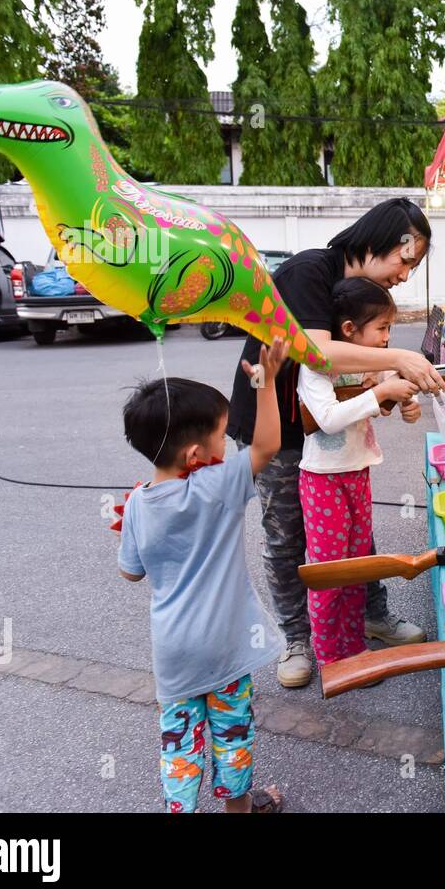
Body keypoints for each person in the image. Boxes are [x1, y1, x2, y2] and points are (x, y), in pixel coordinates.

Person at [226, 198, 443, 688]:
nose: (405, 275)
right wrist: (401, 362)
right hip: (275, 427)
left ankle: (371, 614)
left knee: (353, 535)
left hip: (332, 435)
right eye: (404, 260)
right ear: (373, 243)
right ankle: (298, 638)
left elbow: (353, 375)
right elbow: (319, 351)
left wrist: (387, 392)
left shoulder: (358, 293)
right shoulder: (308, 272)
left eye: (413, 266)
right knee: (288, 537)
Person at [118, 338, 291, 813]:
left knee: (179, 742)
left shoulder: (135, 502)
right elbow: (268, 445)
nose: (227, 445)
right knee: (231, 731)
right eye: (221, 436)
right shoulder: (215, 486)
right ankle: (239, 808)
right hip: (224, 647)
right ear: (196, 454)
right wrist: (268, 382)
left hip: (173, 651)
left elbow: (131, 573)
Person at [297, 278, 421, 672]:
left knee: (356, 565)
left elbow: (387, 391)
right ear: (350, 330)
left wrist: (405, 403)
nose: (388, 340)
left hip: (357, 472)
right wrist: (382, 394)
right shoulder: (314, 367)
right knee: (331, 570)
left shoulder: (371, 362)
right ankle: (332, 656)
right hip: (323, 479)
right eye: (382, 329)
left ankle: (353, 647)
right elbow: (328, 420)